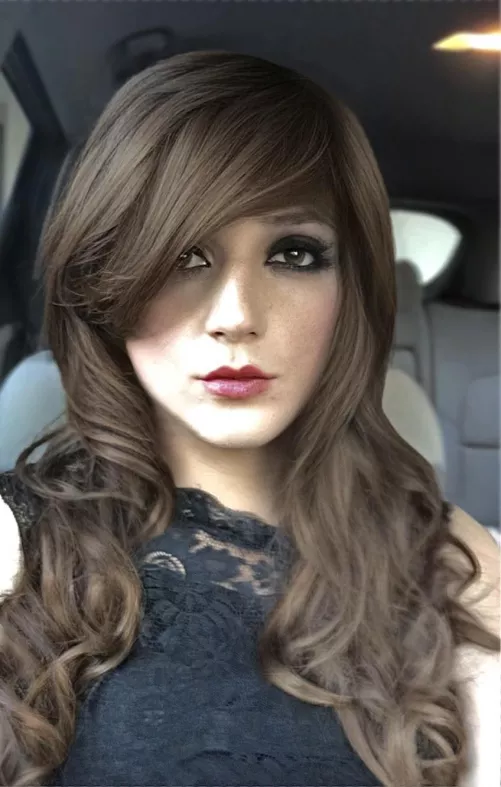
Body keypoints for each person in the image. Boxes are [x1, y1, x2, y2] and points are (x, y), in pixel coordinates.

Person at [0, 51, 498, 787]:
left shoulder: (447, 553)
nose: (235, 316)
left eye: (294, 253)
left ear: (351, 287)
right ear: (106, 282)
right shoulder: (16, 541)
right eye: (184, 255)